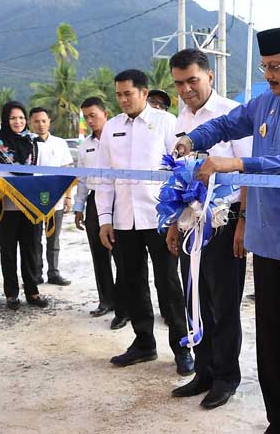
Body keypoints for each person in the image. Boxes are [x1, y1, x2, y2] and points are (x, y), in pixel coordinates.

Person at [175, 25, 280, 434]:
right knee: (271, 342)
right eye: (264, 67)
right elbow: (225, 125)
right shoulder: (263, 102)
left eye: (274, 67)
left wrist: (239, 164)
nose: (267, 75)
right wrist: (191, 140)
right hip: (267, 242)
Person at [164, 48, 252, 410]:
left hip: (224, 220)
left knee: (224, 303)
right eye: (179, 83)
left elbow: (249, 171)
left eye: (192, 81)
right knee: (195, 299)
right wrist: (173, 223)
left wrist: (243, 222)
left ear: (210, 76)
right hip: (190, 223)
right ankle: (204, 371)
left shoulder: (232, 114)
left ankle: (226, 377)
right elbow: (175, 176)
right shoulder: (179, 121)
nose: (186, 89)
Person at [95, 69, 193, 375]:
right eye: (118, 95)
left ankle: (182, 347)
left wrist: (176, 216)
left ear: (144, 93)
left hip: (160, 218)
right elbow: (104, 178)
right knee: (132, 282)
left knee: (169, 284)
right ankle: (143, 344)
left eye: (128, 94)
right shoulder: (111, 128)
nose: (123, 100)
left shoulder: (166, 122)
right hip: (125, 220)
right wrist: (105, 219)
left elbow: (180, 170)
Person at [0, 101, 48, 309]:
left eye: (21, 118)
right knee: (8, 251)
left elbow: (43, 171)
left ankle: (33, 292)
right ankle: (11, 294)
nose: (18, 122)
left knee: (31, 249)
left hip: (31, 206)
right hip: (6, 206)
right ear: (5, 120)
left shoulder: (33, 142)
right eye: (13, 118)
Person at [72, 97, 129, 329]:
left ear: (105, 114)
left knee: (122, 255)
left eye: (93, 115)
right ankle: (106, 300)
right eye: (86, 117)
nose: (90, 120)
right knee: (99, 252)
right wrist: (79, 207)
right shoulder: (85, 145)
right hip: (95, 200)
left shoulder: (118, 138)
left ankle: (125, 307)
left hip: (120, 198)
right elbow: (82, 179)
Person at [29, 107, 73, 286]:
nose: (40, 124)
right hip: (33, 198)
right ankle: (36, 274)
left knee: (53, 238)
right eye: (36, 121)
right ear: (30, 123)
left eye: (43, 121)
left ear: (49, 122)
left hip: (56, 198)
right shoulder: (27, 144)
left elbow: (67, 171)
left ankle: (53, 273)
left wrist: (68, 197)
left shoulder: (60, 143)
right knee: (34, 238)